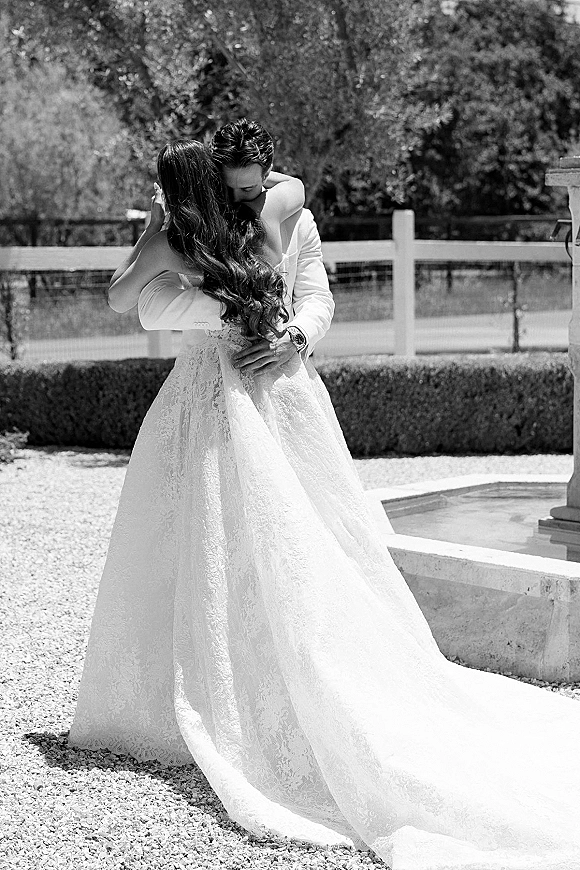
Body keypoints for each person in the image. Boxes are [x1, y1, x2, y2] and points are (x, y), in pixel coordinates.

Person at [68, 136, 580, 870]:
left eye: (255, 189)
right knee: (192, 542)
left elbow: (315, 295)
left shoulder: (288, 216)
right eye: (235, 192)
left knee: (302, 549)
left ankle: (304, 689)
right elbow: (145, 309)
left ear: (266, 177)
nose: (250, 203)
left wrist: (292, 337)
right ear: (212, 185)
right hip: (201, 401)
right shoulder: (191, 229)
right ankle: (190, 699)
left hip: (284, 394)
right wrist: (216, 303)